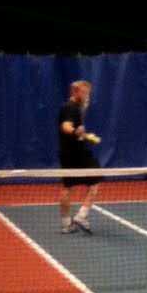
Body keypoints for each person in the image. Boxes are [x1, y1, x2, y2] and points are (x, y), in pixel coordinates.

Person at [58, 79, 101, 233]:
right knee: (96, 180)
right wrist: (75, 131)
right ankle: (82, 215)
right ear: (75, 93)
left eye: (88, 93)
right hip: (77, 153)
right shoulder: (71, 108)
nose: (87, 95)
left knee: (67, 187)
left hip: (67, 152)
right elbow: (66, 126)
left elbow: (74, 122)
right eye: (84, 93)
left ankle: (65, 224)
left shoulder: (74, 107)